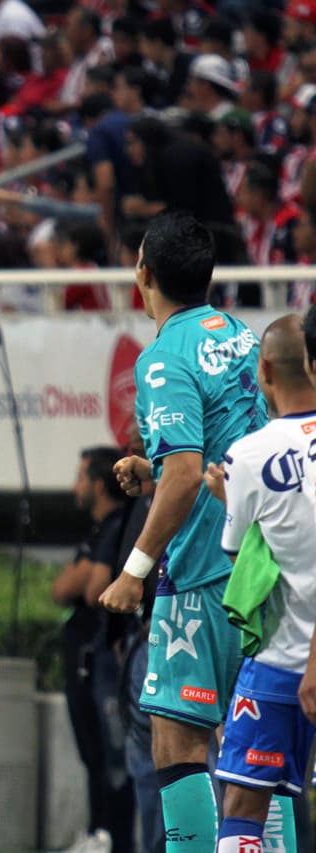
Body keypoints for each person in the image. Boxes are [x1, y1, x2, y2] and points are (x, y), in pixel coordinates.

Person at [99, 210, 270, 853]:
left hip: (203, 570)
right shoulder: (244, 337)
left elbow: (185, 476)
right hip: (265, 563)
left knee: (178, 737)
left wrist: (132, 573)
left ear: (143, 275)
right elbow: (221, 450)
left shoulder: (163, 357)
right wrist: (159, 468)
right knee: (254, 742)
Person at [202, 314, 314, 853]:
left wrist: (228, 499)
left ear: (263, 369)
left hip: (278, 661)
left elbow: (241, 553)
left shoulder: (246, 456)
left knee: (243, 810)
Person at [52, 447, 135, 853]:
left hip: (106, 656)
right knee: (94, 750)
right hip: (89, 655)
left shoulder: (118, 526)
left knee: (112, 753)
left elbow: (90, 589)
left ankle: (112, 836)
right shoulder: (95, 534)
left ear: (99, 485)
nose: (75, 486)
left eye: (81, 476)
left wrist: (85, 575)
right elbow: (60, 588)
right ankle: (99, 831)